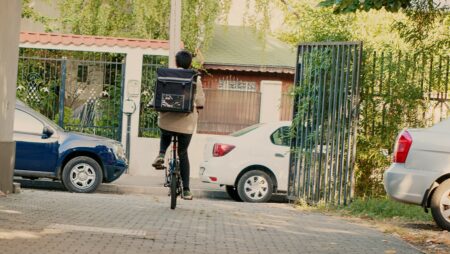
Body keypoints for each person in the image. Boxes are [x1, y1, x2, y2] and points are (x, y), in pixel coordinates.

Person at [152, 50, 205, 200]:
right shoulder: (195, 78)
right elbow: (200, 102)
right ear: (189, 63)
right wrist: (198, 109)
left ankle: (161, 153)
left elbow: (156, 95)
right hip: (186, 125)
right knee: (183, 153)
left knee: (165, 129)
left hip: (167, 120)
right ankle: (187, 190)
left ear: (176, 63)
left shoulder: (166, 75)